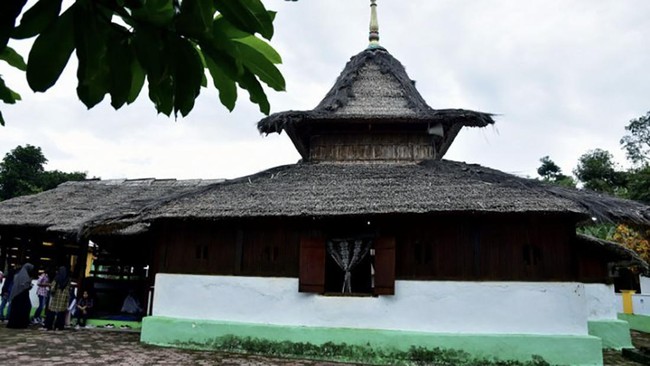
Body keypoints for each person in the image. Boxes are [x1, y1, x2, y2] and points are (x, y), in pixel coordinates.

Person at [6, 263, 34, 329]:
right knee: (24, 308)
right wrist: (30, 284)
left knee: (16, 310)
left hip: (17, 295)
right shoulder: (25, 275)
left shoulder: (19, 274)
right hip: (22, 295)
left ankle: (14, 324)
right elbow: (25, 286)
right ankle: (21, 324)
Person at [44, 266, 70, 331]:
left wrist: (52, 292)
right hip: (63, 297)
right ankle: (59, 326)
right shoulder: (68, 279)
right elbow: (68, 289)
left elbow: (52, 287)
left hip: (56, 297)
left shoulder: (57, 277)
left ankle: (49, 326)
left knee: (51, 311)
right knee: (61, 312)